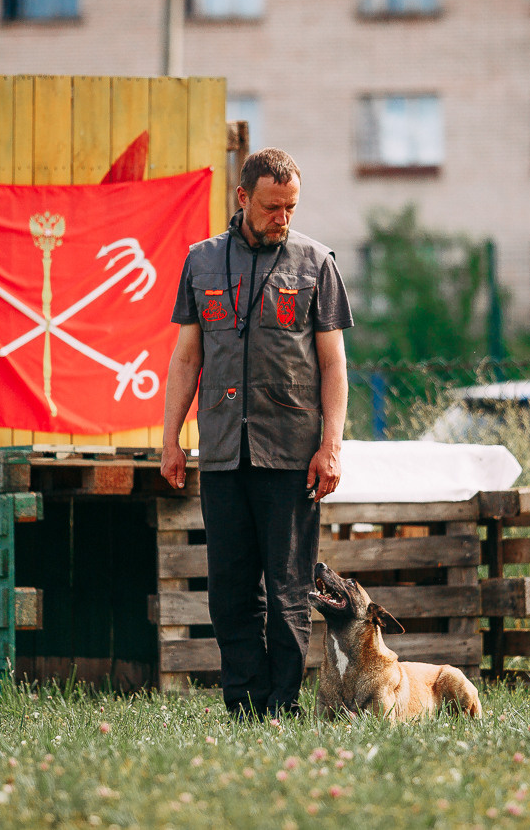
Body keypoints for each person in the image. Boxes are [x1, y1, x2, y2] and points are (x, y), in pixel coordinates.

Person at [160, 147, 352, 719]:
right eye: (272, 206)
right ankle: (242, 704)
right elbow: (186, 358)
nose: (282, 217)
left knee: (290, 588)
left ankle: (282, 705)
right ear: (243, 198)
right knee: (230, 589)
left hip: (291, 455)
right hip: (222, 453)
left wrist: (331, 446)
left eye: (291, 206)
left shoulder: (316, 263)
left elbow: (335, 364)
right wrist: (171, 440)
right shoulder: (200, 263)